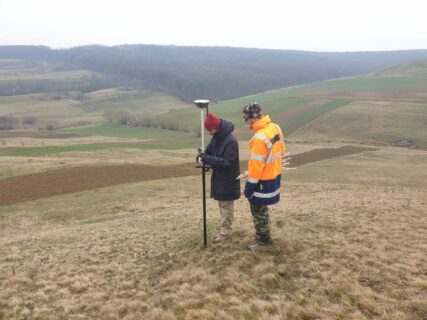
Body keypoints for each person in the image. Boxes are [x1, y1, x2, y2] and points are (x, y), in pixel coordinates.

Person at [242, 102, 286, 251]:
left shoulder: (258, 138)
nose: (247, 124)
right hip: (274, 176)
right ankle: (264, 236)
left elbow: (256, 167)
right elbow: (282, 150)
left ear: (251, 119)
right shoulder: (275, 127)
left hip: (262, 181)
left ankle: (263, 242)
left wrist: (249, 187)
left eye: (246, 120)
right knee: (263, 209)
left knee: (258, 210)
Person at [197, 112, 241, 242]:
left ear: (214, 128)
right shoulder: (217, 137)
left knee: (226, 207)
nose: (210, 134)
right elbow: (208, 152)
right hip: (219, 179)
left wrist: (208, 158)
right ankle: (224, 231)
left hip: (228, 180)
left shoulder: (231, 141)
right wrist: (201, 156)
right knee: (222, 206)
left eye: (210, 131)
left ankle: (226, 234)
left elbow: (227, 162)